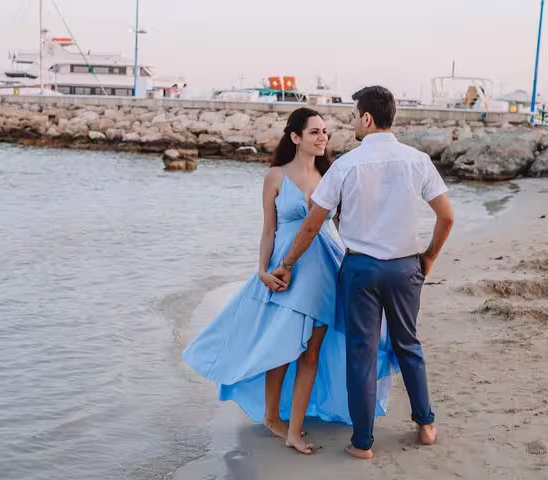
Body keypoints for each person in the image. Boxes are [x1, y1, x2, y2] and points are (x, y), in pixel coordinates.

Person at [183, 107, 398, 455]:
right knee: (281, 348)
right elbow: (269, 228)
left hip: (325, 268)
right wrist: (262, 269)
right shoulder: (275, 176)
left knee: (311, 353)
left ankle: (294, 429)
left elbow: (344, 225)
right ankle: (272, 417)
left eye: (325, 131)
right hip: (287, 272)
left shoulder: (331, 175)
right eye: (314, 131)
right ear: (295, 137)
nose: (322, 137)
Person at [272, 86, 455, 460]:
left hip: (360, 269)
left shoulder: (346, 165)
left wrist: (286, 264)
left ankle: (363, 443)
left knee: (362, 354)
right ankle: (426, 425)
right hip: (406, 267)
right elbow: (447, 216)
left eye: (356, 116)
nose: (354, 122)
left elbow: (311, 226)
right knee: (409, 345)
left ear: (367, 119)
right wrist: (429, 259)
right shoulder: (417, 160)